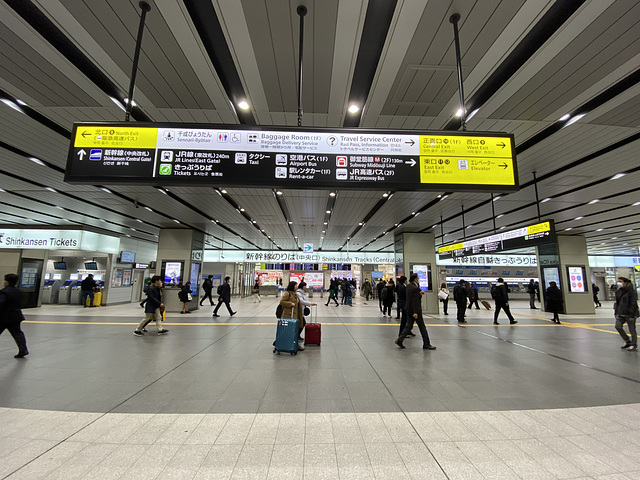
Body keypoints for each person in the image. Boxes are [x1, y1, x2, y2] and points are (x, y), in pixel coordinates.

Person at [395, 273, 436, 350]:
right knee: (422, 327)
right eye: (417, 278)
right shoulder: (415, 288)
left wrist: (419, 294)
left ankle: (400, 340)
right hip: (415, 311)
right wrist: (415, 312)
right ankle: (426, 344)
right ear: (415, 279)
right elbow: (415, 301)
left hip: (409, 309)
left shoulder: (408, 286)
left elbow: (411, 297)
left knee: (409, 326)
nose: (418, 280)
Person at [0, 273, 28, 358]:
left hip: (4, 317)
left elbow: (1, 304)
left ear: (7, 282)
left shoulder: (4, 292)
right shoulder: (19, 291)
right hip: (16, 316)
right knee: (18, 333)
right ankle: (23, 350)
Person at [614, 277, 639, 351]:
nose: (619, 283)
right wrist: (616, 312)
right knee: (618, 326)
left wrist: (632, 314)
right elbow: (617, 302)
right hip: (620, 313)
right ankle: (628, 341)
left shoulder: (632, 292)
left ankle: (634, 345)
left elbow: (633, 303)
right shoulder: (618, 291)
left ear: (626, 282)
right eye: (618, 281)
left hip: (629, 314)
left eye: (620, 281)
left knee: (632, 330)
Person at [280, 281, 304, 351]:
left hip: (295, 315)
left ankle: (294, 344)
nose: (297, 286)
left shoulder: (295, 294)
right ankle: (281, 343)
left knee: (294, 331)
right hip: (289, 315)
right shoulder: (287, 294)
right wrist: (290, 304)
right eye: (296, 285)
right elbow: (282, 302)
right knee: (288, 330)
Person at [296, 281, 317, 350]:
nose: (306, 287)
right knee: (302, 323)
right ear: (302, 286)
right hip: (298, 311)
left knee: (302, 323)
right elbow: (301, 301)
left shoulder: (302, 293)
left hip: (301, 310)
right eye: (305, 286)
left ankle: (297, 335)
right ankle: (296, 335)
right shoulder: (298, 293)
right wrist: (310, 303)